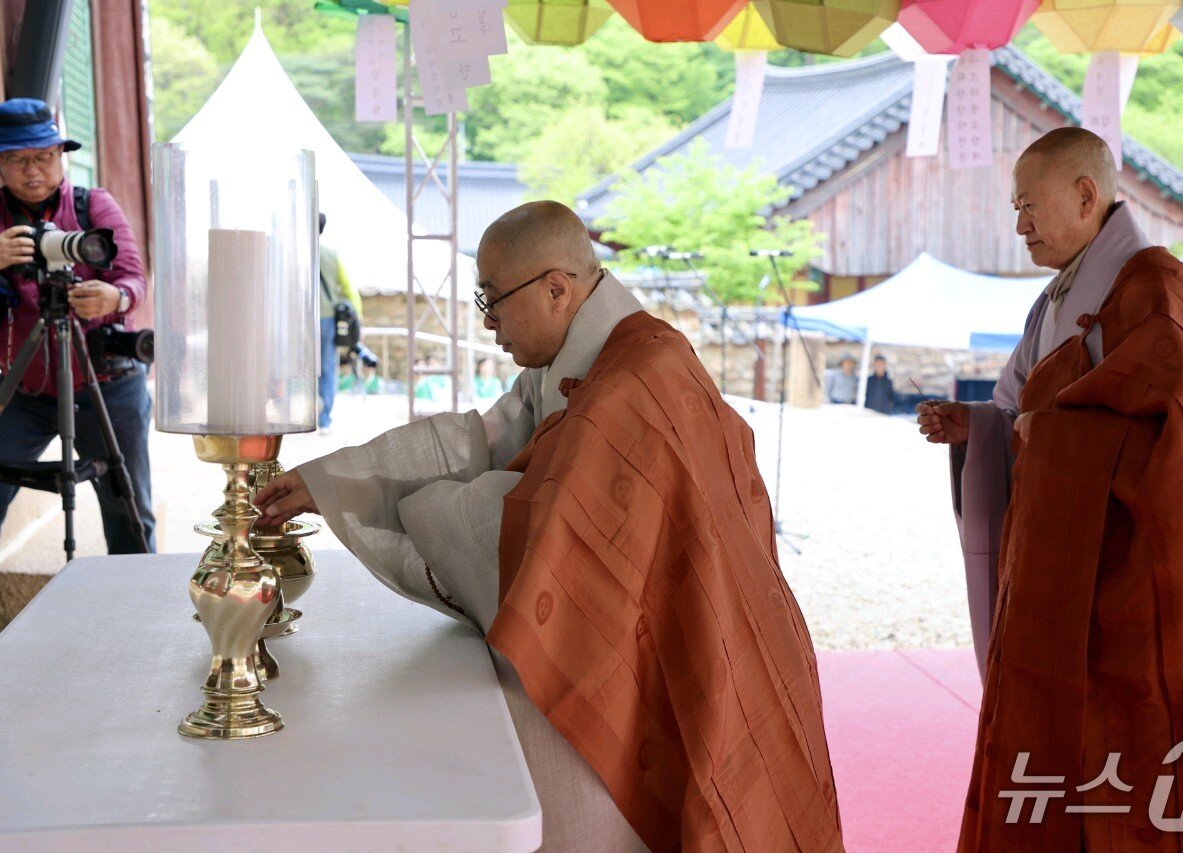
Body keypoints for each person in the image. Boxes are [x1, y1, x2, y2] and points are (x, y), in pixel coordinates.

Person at [255, 201, 842, 851]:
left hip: (690, 645)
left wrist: (418, 508)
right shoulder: (588, 358)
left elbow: (519, 528)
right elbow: (486, 441)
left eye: (493, 299)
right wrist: (332, 479)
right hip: (678, 630)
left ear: (556, 289)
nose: (489, 322)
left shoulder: (636, 381)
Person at [917, 128, 1183, 847]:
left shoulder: (1158, 289)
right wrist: (979, 425)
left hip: (1137, 575)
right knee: (1054, 740)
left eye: (1029, 206)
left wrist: (1043, 436)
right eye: (1015, 209)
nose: (1019, 225)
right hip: (1058, 566)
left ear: (1087, 195)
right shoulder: (1058, 295)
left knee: (1138, 743)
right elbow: (1028, 411)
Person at [0, 98, 154, 553]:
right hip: (22, 389)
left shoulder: (93, 205)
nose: (33, 171)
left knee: (128, 509)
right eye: (17, 159)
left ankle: (137, 596)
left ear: (60, 155)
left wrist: (114, 297)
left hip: (105, 384)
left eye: (44, 157)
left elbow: (134, 278)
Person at [317, 211, 361, 433]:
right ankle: (324, 420)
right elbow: (349, 289)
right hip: (327, 318)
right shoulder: (332, 256)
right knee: (327, 368)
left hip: (301, 320)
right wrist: (358, 320)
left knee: (298, 369)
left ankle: (299, 416)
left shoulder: (293, 253)